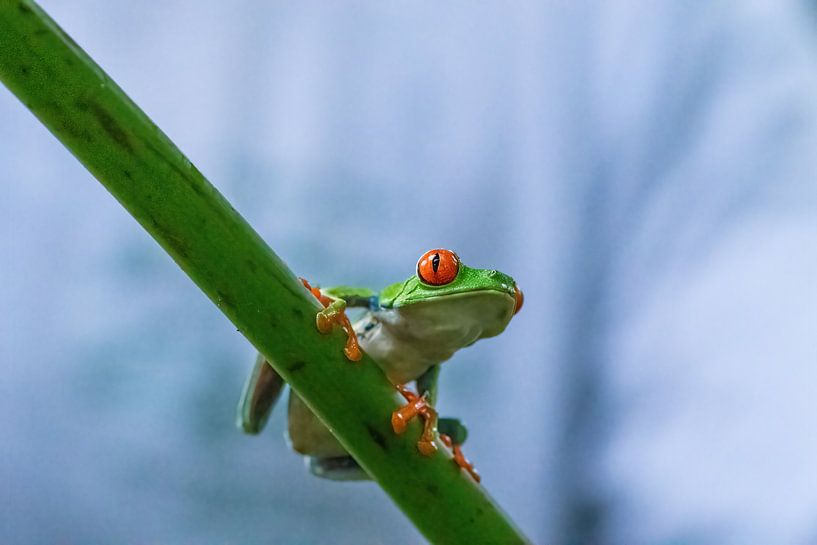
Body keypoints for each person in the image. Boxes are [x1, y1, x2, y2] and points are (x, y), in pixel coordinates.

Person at [1, 1, 815, 543]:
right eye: (441, 271)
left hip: (360, 440)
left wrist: (433, 430)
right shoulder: (380, 307)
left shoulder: (674, 30)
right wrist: (324, 313)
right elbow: (370, 301)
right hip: (317, 374)